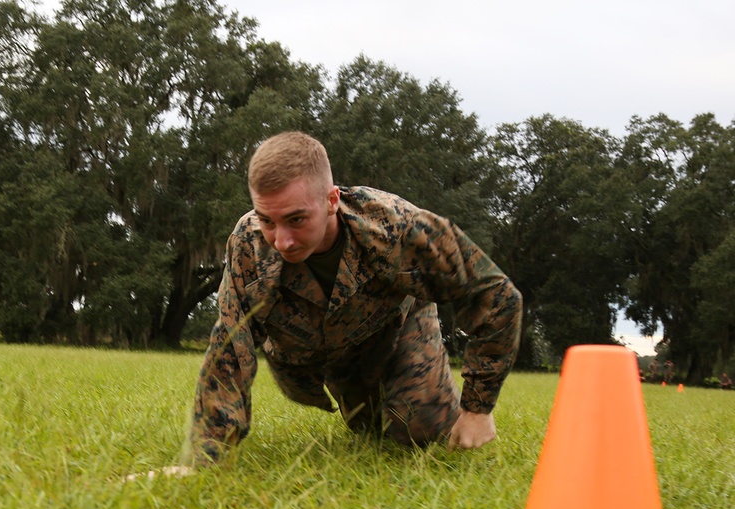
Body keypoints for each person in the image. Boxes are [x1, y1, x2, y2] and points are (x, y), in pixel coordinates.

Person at [173, 131, 522, 471]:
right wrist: (204, 459)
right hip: (309, 355)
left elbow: (496, 295)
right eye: (267, 220)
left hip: (395, 326)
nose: (282, 241)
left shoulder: (395, 227)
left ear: (331, 200)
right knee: (369, 430)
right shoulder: (248, 244)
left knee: (420, 429)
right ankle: (359, 401)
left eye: (296, 219)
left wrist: (478, 408)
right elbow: (232, 344)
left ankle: (406, 398)